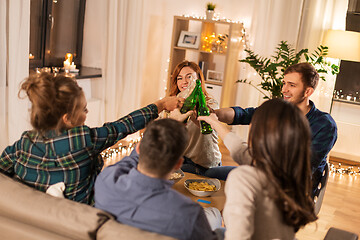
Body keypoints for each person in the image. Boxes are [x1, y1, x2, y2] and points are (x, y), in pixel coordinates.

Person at [0, 72, 181, 204]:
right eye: (84, 109)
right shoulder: (82, 140)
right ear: (67, 118)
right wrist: (162, 104)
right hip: (81, 220)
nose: (87, 113)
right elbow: (124, 126)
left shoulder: (23, 143)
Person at [199, 99, 318, 239]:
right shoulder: (292, 173)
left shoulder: (243, 178)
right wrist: (215, 123)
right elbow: (241, 151)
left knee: (208, 217)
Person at [215, 62, 337, 195]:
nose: (284, 89)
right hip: (264, 174)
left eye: (292, 85)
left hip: (291, 193)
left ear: (308, 91)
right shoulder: (279, 110)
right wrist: (215, 114)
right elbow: (244, 115)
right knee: (210, 173)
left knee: (233, 185)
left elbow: (301, 171)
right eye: (284, 83)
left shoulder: (325, 125)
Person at [94, 118, 221, 240]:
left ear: (138, 148)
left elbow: (131, 160)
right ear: (178, 164)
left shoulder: (106, 179)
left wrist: (170, 122)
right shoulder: (189, 214)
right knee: (216, 216)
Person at [168, 60, 235, 180]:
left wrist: (191, 112)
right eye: (179, 78)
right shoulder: (171, 105)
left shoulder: (210, 104)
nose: (184, 82)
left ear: (198, 79)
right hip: (183, 163)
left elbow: (206, 125)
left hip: (207, 165)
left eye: (189, 77)